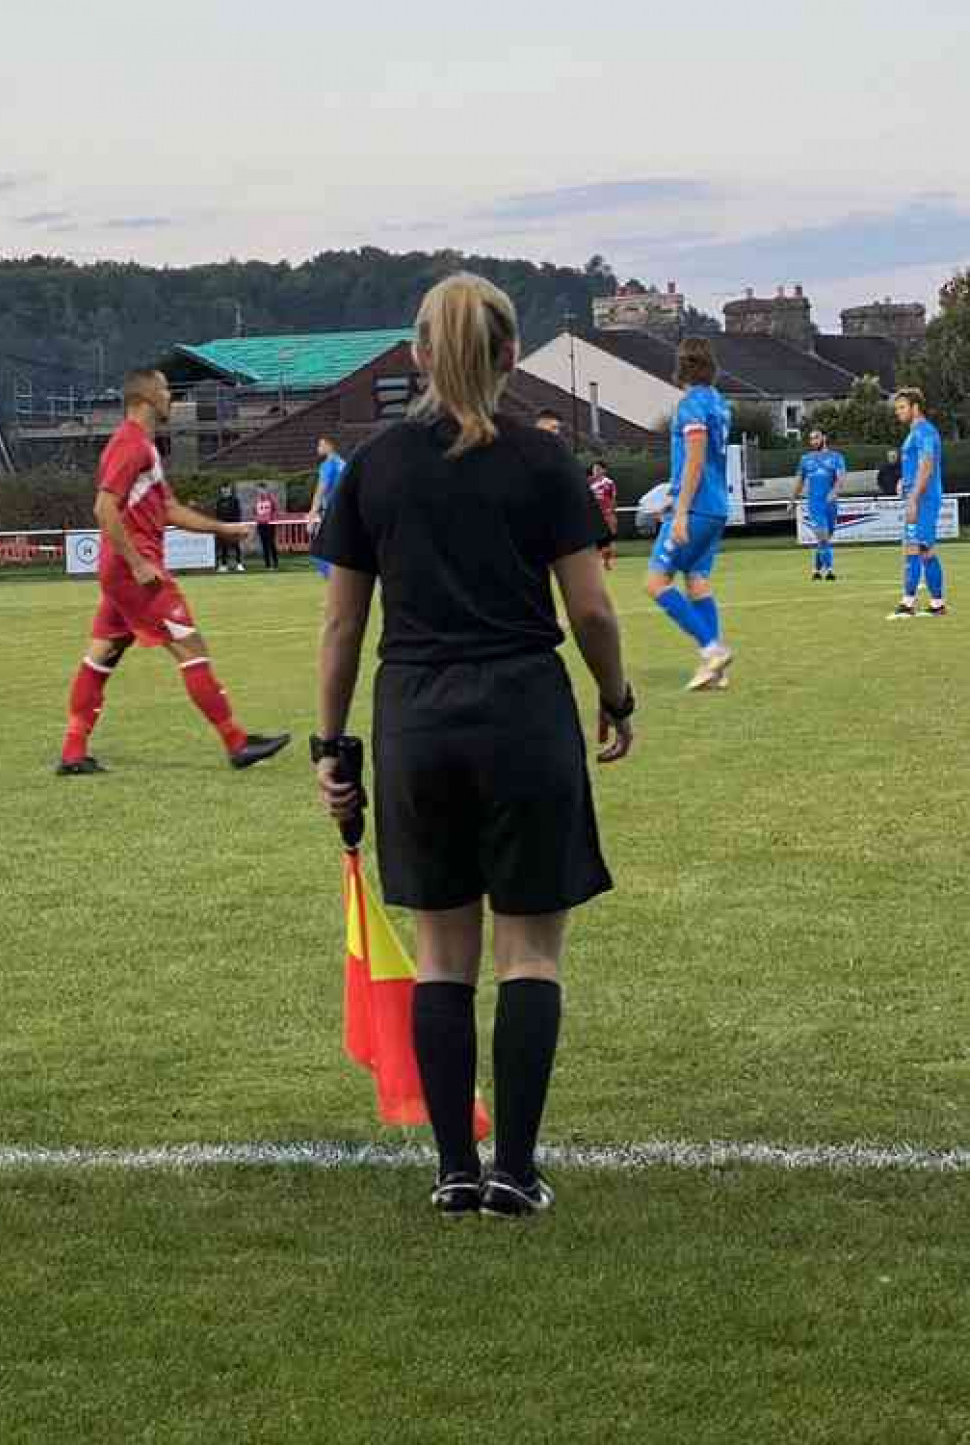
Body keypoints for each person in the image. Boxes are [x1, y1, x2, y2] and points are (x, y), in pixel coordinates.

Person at [312, 274, 634, 1220]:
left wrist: (332, 747)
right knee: (530, 951)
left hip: (416, 715)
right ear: (509, 356)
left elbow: (339, 630)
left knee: (443, 952)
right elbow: (590, 607)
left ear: (415, 354)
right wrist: (615, 697)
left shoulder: (374, 465)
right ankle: (517, 1171)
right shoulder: (543, 464)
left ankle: (456, 1166)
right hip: (524, 711)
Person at [57, 369, 291, 776]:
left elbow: (169, 510)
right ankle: (237, 743)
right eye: (166, 389)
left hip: (122, 572)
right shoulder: (130, 445)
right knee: (190, 646)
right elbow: (103, 508)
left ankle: (73, 751)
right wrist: (138, 563)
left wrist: (222, 530)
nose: (171, 396)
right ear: (146, 396)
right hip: (134, 571)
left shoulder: (144, 447)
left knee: (102, 655)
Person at [645, 337, 734, 692]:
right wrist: (672, 496)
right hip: (715, 508)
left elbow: (695, 459)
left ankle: (712, 650)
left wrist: (680, 511)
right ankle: (716, 670)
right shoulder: (720, 403)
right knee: (696, 580)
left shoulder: (690, 405)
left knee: (655, 583)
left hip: (695, 506)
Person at [891, 388, 946, 619]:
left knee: (916, 548)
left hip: (923, 498)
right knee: (921, 550)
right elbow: (916, 465)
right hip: (917, 495)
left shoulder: (925, 431)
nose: (898, 412)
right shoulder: (914, 433)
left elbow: (927, 465)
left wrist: (913, 496)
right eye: (897, 408)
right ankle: (935, 604)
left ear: (915, 407)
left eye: (902, 407)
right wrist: (904, 481)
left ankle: (909, 603)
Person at [792, 429, 847, 581]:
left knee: (826, 538)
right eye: (811, 439)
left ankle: (816, 570)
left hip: (830, 504)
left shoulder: (836, 457)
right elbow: (799, 481)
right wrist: (792, 500)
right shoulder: (805, 459)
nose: (813, 441)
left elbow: (841, 478)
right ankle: (829, 571)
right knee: (822, 537)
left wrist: (834, 491)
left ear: (824, 438)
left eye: (816, 438)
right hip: (814, 504)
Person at [308, 435, 347, 579]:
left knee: (320, 550)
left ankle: (335, 583)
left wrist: (312, 513)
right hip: (344, 511)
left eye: (320, 445)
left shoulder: (328, 464)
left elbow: (321, 490)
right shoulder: (343, 463)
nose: (318, 448)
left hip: (332, 511)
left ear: (330, 446)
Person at [587, 460, 618, 569]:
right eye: (594, 469)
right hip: (591, 515)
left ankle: (606, 561)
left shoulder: (609, 483)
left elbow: (613, 499)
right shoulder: (588, 482)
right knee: (591, 540)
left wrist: (612, 513)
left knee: (608, 539)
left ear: (604, 470)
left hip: (606, 515)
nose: (595, 471)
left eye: (598, 469)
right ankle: (595, 562)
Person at [215, 482, 245, 572]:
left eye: (226, 488)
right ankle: (224, 565)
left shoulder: (235, 500)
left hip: (233, 526)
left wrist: (236, 525)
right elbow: (218, 514)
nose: (224, 490)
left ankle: (239, 564)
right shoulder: (219, 501)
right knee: (224, 546)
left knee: (236, 545)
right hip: (223, 527)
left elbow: (238, 513)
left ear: (230, 489)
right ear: (221, 490)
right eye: (223, 488)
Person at [254, 486, 280, 570]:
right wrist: (257, 519)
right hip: (260, 524)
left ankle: (275, 563)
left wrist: (272, 519)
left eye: (262, 490)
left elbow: (276, 510)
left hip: (269, 524)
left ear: (265, 490)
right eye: (259, 490)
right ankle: (267, 565)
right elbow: (255, 511)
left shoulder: (271, 499)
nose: (260, 492)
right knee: (264, 544)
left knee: (271, 543)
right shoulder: (257, 500)